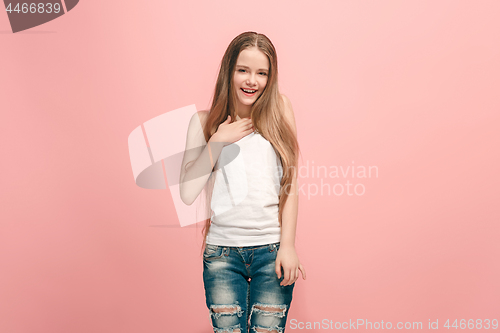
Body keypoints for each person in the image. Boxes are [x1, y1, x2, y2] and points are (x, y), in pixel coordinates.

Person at [179, 31, 306, 333]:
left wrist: (287, 245)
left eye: (262, 73)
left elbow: (290, 184)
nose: (252, 81)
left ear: (270, 77)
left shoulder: (280, 111)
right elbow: (187, 193)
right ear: (229, 71)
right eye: (243, 70)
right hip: (222, 255)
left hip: (270, 251)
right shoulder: (203, 123)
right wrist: (218, 141)